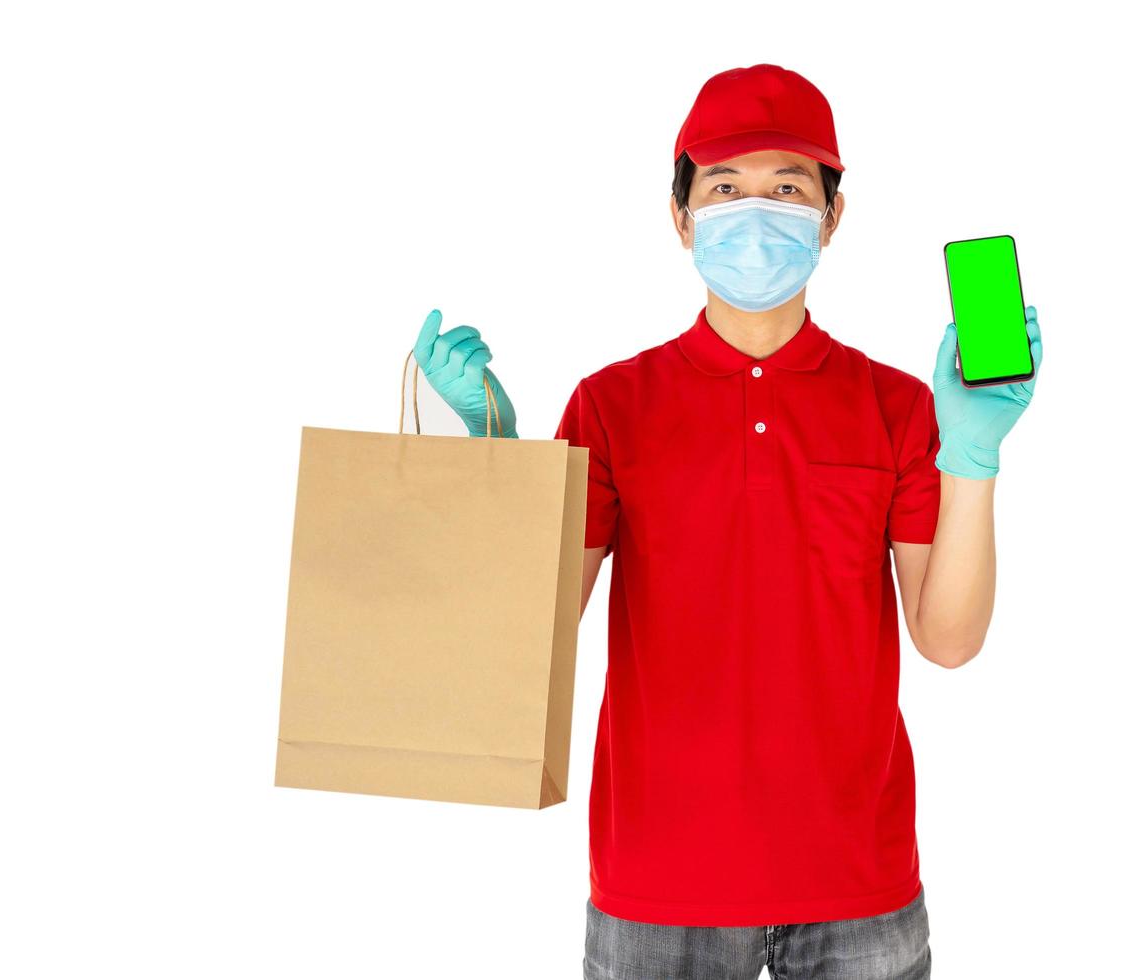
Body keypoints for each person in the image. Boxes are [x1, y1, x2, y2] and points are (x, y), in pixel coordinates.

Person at [411, 64, 1041, 980]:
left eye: (787, 188)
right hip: (656, 890)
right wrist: (490, 457)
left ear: (830, 216)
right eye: (724, 189)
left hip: (857, 889)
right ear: (681, 218)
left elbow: (946, 640)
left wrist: (972, 455)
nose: (756, 215)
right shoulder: (612, 404)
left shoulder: (898, 407)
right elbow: (525, 634)